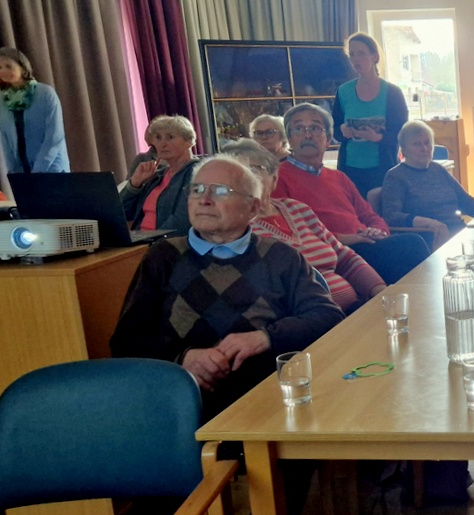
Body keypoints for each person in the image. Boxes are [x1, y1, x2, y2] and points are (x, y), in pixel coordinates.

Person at [110, 155, 344, 419]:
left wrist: (264, 338)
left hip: (269, 403)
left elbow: (327, 316)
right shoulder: (163, 256)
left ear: (253, 208)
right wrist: (183, 357)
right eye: (197, 189)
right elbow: (126, 341)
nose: (204, 200)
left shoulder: (281, 257)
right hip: (185, 407)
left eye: (220, 191)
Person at [222, 138, 385, 313]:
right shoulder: (236, 229)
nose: (246, 178)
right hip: (313, 318)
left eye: (254, 169)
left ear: (274, 178)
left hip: (353, 308)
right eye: (237, 172)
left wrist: (380, 291)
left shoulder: (297, 209)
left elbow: (345, 257)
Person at [275, 102, 430, 284]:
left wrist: (378, 231)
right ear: (289, 139)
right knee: (412, 246)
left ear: (328, 139)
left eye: (315, 128)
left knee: (411, 248)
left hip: (365, 245)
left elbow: (370, 216)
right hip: (330, 255)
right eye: (299, 129)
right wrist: (349, 238)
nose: (307, 135)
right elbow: (287, 235)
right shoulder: (277, 178)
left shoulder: (339, 177)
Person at [380, 120, 474, 242]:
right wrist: (428, 223)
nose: (424, 148)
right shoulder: (396, 176)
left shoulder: (438, 169)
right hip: (428, 235)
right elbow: (391, 216)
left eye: (427, 143)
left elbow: (465, 201)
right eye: (417, 144)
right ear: (404, 149)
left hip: (457, 231)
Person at [333, 32, 409, 198]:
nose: (356, 59)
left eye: (361, 53)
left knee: (382, 210)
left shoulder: (393, 93)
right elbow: (334, 130)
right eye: (352, 54)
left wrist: (378, 137)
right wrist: (342, 130)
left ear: (374, 56)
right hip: (350, 168)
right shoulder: (343, 92)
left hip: (383, 168)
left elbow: (403, 133)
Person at [119, 115, 202, 234]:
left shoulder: (197, 173)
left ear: (189, 141)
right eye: (158, 138)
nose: (162, 144)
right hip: (140, 238)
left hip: (166, 241)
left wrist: (154, 240)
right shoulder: (157, 176)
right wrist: (135, 184)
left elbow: (183, 221)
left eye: (170, 137)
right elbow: (122, 214)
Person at [0, 47, 68, 173]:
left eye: (8, 66)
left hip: (51, 168)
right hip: (21, 170)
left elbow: (54, 136)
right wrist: (12, 170)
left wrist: (39, 170)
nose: (3, 71)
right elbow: (4, 137)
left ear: (22, 67)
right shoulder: (1, 99)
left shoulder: (45, 93)